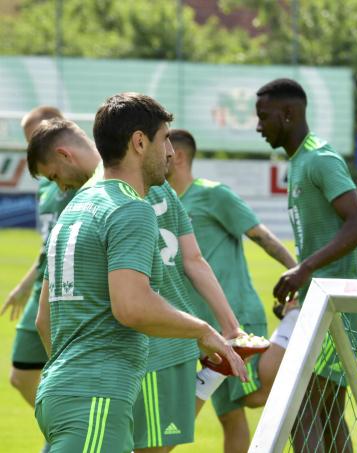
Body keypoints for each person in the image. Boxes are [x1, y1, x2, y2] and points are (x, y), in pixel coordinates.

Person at [28, 93, 247, 453]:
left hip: (59, 392)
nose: (172, 153)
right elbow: (131, 307)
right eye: (165, 141)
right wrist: (203, 329)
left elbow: (43, 319)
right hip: (98, 395)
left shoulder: (75, 207)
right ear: (140, 142)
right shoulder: (132, 209)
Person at [255, 78, 357, 452]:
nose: (259, 127)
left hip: (340, 303)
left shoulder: (319, 157)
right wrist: (299, 291)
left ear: (288, 114)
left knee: (302, 404)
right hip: (319, 301)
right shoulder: (298, 162)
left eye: (264, 117)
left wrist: (303, 270)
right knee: (325, 411)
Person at [167, 128, 297, 453]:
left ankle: (299, 352)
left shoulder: (213, 194)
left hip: (236, 319)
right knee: (230, 416)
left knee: (254, 396)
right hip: (196, 327)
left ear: (178, 156)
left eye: (163, 148)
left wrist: (299, 276)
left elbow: (262, 236)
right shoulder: (164, 204)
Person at [1, 106, 74, 452]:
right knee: (22, 375)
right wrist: (24, 284)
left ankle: (73, 431)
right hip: (43, 282)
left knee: (63, 375)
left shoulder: (81, 176)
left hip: (68, 289)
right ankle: (67, 429)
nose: (31, 143)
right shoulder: (48, 181)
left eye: (36, 135)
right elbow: (50, 244)